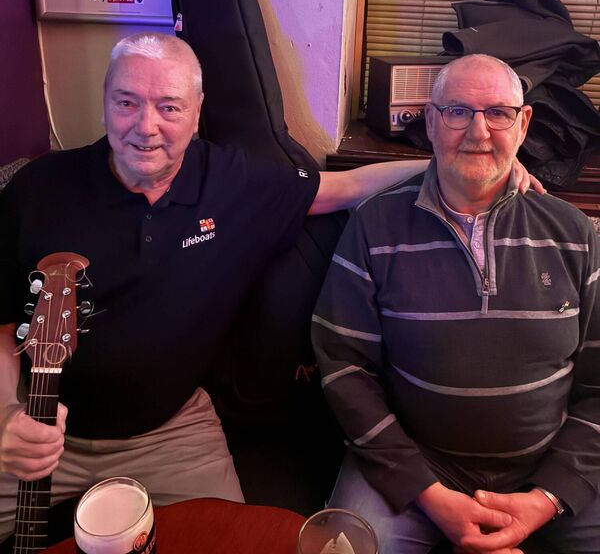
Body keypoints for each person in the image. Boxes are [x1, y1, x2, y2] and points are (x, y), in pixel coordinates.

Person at [0, 36, 538, 543]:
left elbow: (343, 188)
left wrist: (465, 161)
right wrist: (5, 416)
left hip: (172, 430)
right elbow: (2, 323)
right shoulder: (36, 191)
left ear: (196, 112)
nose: (146, 126)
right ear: (104, 101)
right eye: (126, 102)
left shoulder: (229, 180)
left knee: (228, 543)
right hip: (35, 420)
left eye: (169, 107)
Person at [312, 54, 600, 554]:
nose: (478, 131)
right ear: (430, 121)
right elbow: (344, 369)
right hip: (415, 465)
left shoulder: (574, 233)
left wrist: (547, 498)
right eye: (457, 111)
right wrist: (427, 492)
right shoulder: (374, 226)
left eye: (498, 113)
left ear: (523, 123)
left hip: (549, 465)